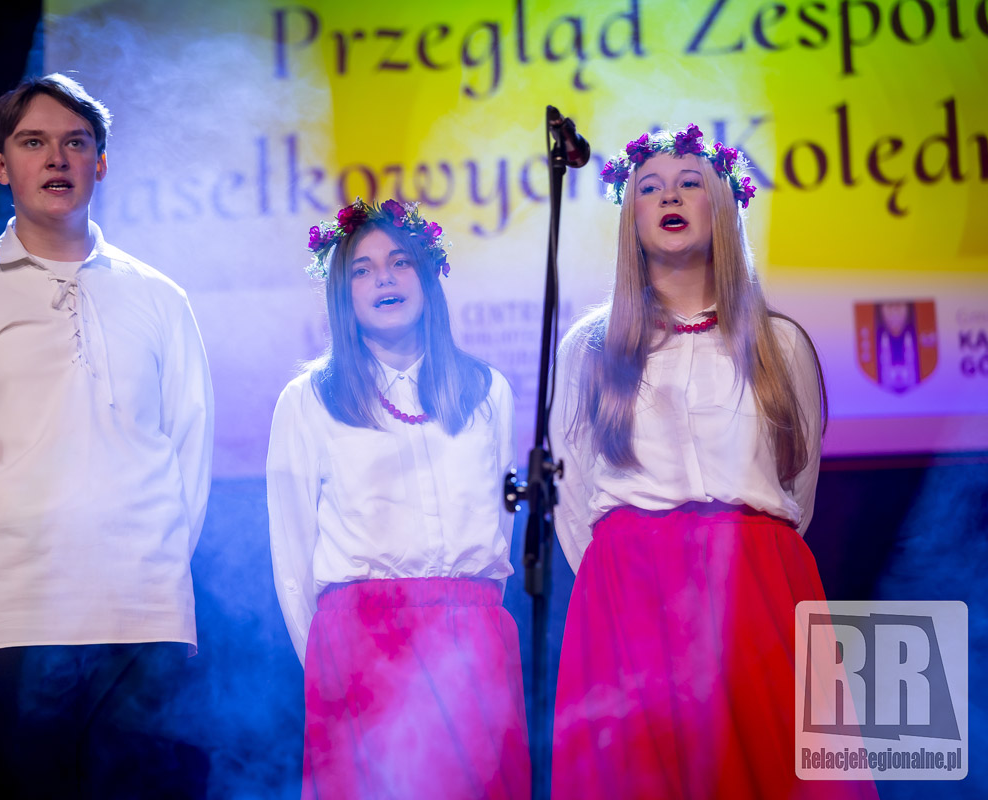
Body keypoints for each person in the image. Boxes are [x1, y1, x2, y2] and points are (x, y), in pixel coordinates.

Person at [0, 73, 213, 798]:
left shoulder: (159, 298)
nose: (57, 158)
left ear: (102, 162)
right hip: (9, 621)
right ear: (0, 165)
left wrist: (150, 571)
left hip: (143, 617)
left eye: (76, 142)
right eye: (33, 142)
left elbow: (190, 459)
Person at [549, 125, 876, 799]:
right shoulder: (591, 349)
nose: (670, 196)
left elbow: (795, 488)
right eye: (650, 187)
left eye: (689, 183)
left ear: (722, 204)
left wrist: (742, 556)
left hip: (756, 588)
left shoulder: (778, 344)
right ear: (631, 216)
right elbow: (574, 495)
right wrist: (631, 573)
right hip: (632, 596)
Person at [267, 198, 530, 799]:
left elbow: (501, 530)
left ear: (427, 276)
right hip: (359, 646)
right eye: (362, 270)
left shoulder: (486, 390)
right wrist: (331, 664)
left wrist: (468, 623)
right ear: (342, 294)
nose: (384, 278)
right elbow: (292, 554)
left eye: (400, 262)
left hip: (471, 638)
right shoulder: (308, 400)